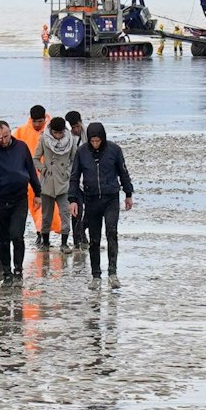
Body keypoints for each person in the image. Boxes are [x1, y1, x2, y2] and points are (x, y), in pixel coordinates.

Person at [68, 122, 136, 289]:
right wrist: (73, 200)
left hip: (111, 198)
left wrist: (128, 194)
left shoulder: (114, 150)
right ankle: (96, 275)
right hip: (91, 200)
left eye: (98, 141)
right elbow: (75, 177)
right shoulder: (82, 152)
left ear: (103, 139)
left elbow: (123, 172)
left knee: (112, 232)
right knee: (94, 238)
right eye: (93, 141)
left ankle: (113, 273)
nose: (95, 144)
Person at [0, 119, 43, 281]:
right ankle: (7, 271)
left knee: (17, 235)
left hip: (19, 199)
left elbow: (31, 170)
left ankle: (18, 270)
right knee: (2, 240)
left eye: (7, 135)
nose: (5, 140)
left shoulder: (21, 146)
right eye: (1, 137)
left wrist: (38, 193)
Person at [35, 116, 76, 250]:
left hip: (63, 182)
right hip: (47, 182)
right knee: (46, 215)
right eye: (55, 133)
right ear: (51, 131)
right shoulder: (43, 139)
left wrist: (68, 172)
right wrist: (43, 169)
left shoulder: (71, 140)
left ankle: (64, 243)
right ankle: (45, 243)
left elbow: (74, 160)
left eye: (60, 133)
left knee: (65, 213)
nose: (58, 136)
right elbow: (35, 158)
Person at [13, 103, 51, 237]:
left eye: (40, 121)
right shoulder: (21, 131)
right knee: (34, 208)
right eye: (34, 121)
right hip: (27, 177)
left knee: (47, 207)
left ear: (44, 119)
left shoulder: (52, 130)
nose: (36, 124)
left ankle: (43, 233)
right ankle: (40, 232)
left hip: (48, 176)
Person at [63, 111, 88, 249]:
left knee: (90, 210)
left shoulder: (89, 134)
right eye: (72, 127)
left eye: (77, 126)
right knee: (76, 209)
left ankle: (83, 233)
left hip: (88, 177)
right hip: (73, 177)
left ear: (81, 122)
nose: (76, 130)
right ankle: (77, 240)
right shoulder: (67, 139)